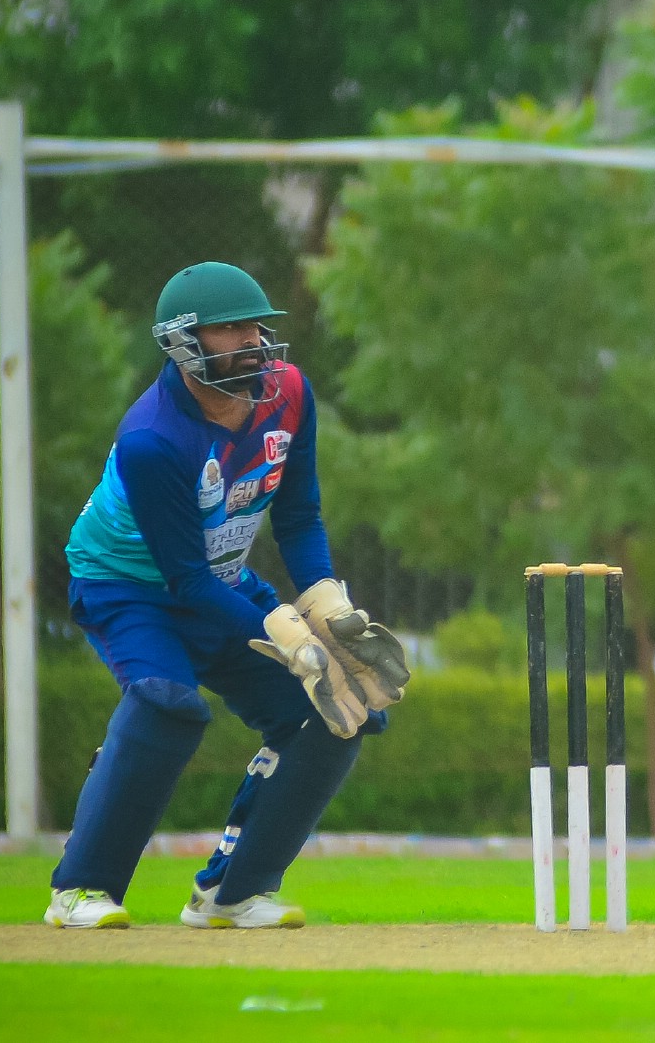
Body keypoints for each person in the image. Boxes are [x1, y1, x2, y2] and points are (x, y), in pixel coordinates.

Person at [45, 261, 409, 930]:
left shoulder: (290, 393)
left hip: (221, 578)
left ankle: (233, 892)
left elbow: (299, 516)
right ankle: (80, 889)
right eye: (230, 329)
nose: (252, 341)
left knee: (337, 712)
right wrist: (287, 633)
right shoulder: (153, 439)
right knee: (168, 705)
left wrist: (325, 603)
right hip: (127, 587)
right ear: (182, 343)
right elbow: (184, 581)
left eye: (256, 326)